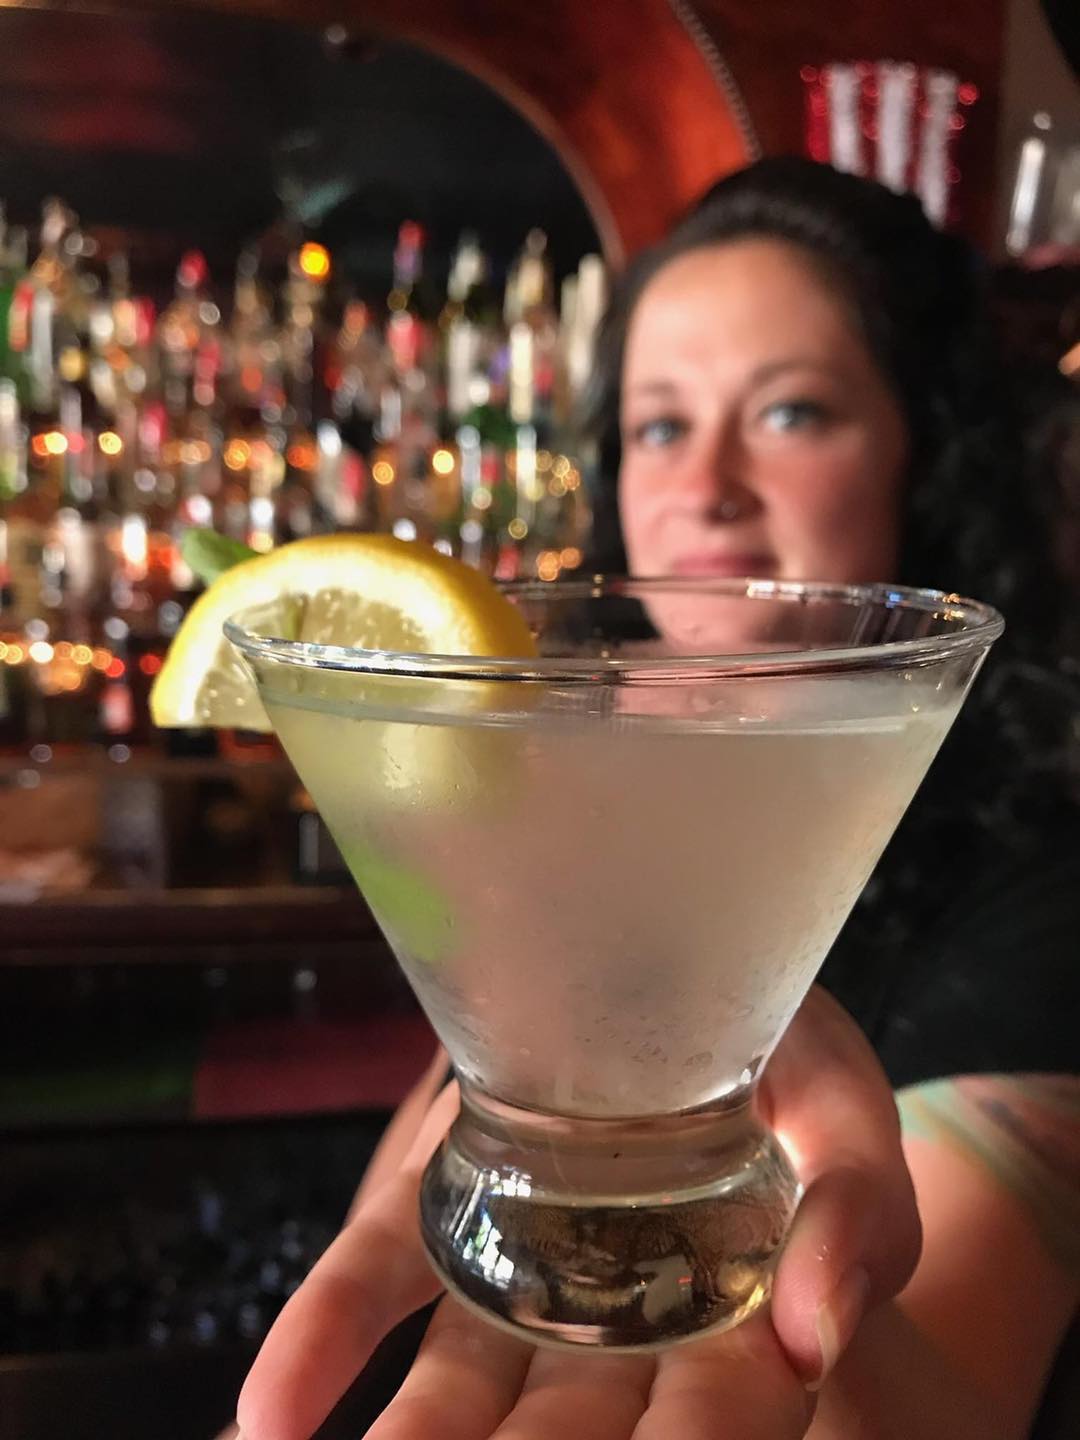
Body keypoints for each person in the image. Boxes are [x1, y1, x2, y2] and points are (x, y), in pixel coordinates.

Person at [232, 160, 1080, 1440]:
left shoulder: (1043, 890)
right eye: (661, 425)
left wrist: (819, 1310)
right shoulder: (535, 814)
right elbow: (401, 1206)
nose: (708, 484)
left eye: (791, 412)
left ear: (924, 452)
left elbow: (963, 1386)